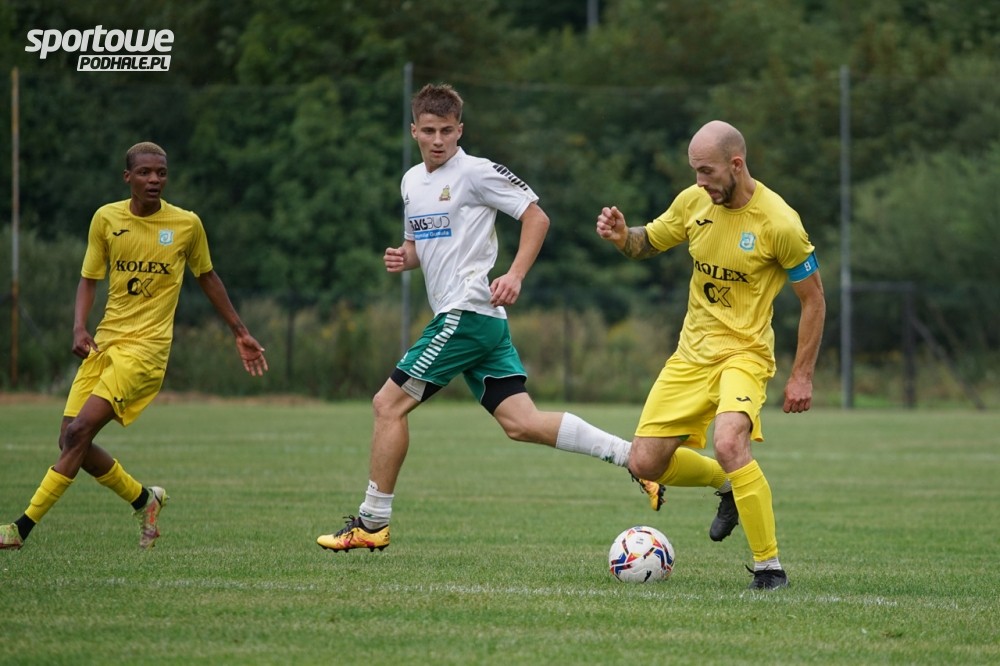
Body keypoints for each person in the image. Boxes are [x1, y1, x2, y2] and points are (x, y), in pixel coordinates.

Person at [317, 83, 637, 552]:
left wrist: (515, 274)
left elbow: (537, 218)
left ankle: (372, 522)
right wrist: (405, 258)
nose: (439, 140)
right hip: (479, 321)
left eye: (447, 130)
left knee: (387, 404)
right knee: (521, 423)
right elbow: (419, 244)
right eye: (430, 130)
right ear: (414, 130)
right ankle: (632, 457)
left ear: (460, 130)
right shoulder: (411, 182)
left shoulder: (476, 172)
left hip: (466, 311)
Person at [0, 141, 268, 551]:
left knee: (79, 431)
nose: (154, 179)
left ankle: (19, 529)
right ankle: (145, 500)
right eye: (144, 172)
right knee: (69, 439)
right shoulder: (106, 218)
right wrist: (79, 327)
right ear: (128, 177)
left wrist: (240, 331)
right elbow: (89, 278)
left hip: (146, 351)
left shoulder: (186, 224)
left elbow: (208, 277)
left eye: (161, 172)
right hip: (105, 345)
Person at [595, 120, 826, 590]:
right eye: (694, 171)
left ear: (736, 165)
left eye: (706, 171)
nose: (700, 181)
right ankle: (729, 484)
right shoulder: (693, 202)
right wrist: (622, 236)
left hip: (744, 354)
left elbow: (814, 300)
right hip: (691, 355)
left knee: (730, 442)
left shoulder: (780, 222)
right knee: (644, 463)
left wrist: (802, 375)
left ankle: (769, 569)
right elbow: (647, 242)